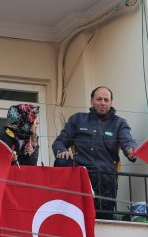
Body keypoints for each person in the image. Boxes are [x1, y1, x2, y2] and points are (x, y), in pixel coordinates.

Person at [52, 86, 137, 219]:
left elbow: (128, 141)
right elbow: (59, 142)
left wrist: (131, 151)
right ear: (91, 101)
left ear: (111, 102)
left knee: (103, 224)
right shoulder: (77, 119)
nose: (102, 102)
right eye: (99, 99)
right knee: (75, 220)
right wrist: (63, 151)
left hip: (105, 182)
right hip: (79, 180)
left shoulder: (119, 123)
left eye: (106, 100)